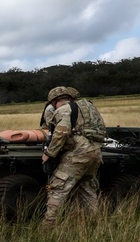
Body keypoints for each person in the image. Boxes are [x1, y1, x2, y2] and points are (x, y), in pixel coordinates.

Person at [41, 85, 107, 227]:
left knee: (57, 188)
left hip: (78, 154)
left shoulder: (64, 110)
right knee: (87, 190)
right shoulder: (89, 108)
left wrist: (49, 154)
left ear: (54, 101)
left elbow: (61, 133)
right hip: (95, 152)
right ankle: (94, 225)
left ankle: (48, 228)